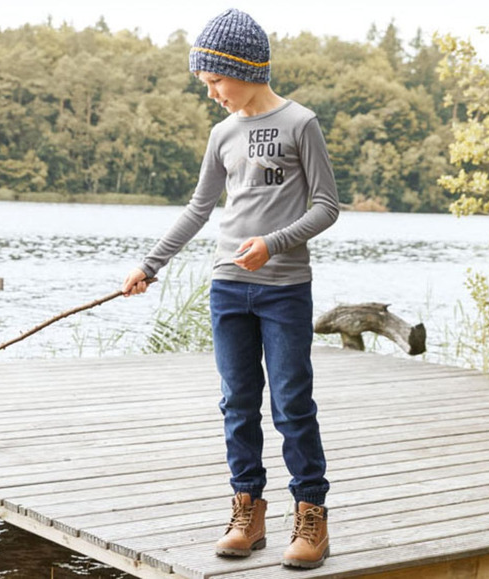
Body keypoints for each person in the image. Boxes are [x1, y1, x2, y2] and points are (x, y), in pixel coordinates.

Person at [121, 8, 339, 569]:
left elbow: (326, 206)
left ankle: (311, 516)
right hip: (228, 288)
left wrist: (274, 243)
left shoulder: (301, 123)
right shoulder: (222, 134)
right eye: (206, 83)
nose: (212, 93)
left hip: (284, 289)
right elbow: (199, 209)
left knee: (291, 402)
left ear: (245, 69)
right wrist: (151, 264)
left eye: (216, 80)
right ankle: (248, 511)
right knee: (237, 403)